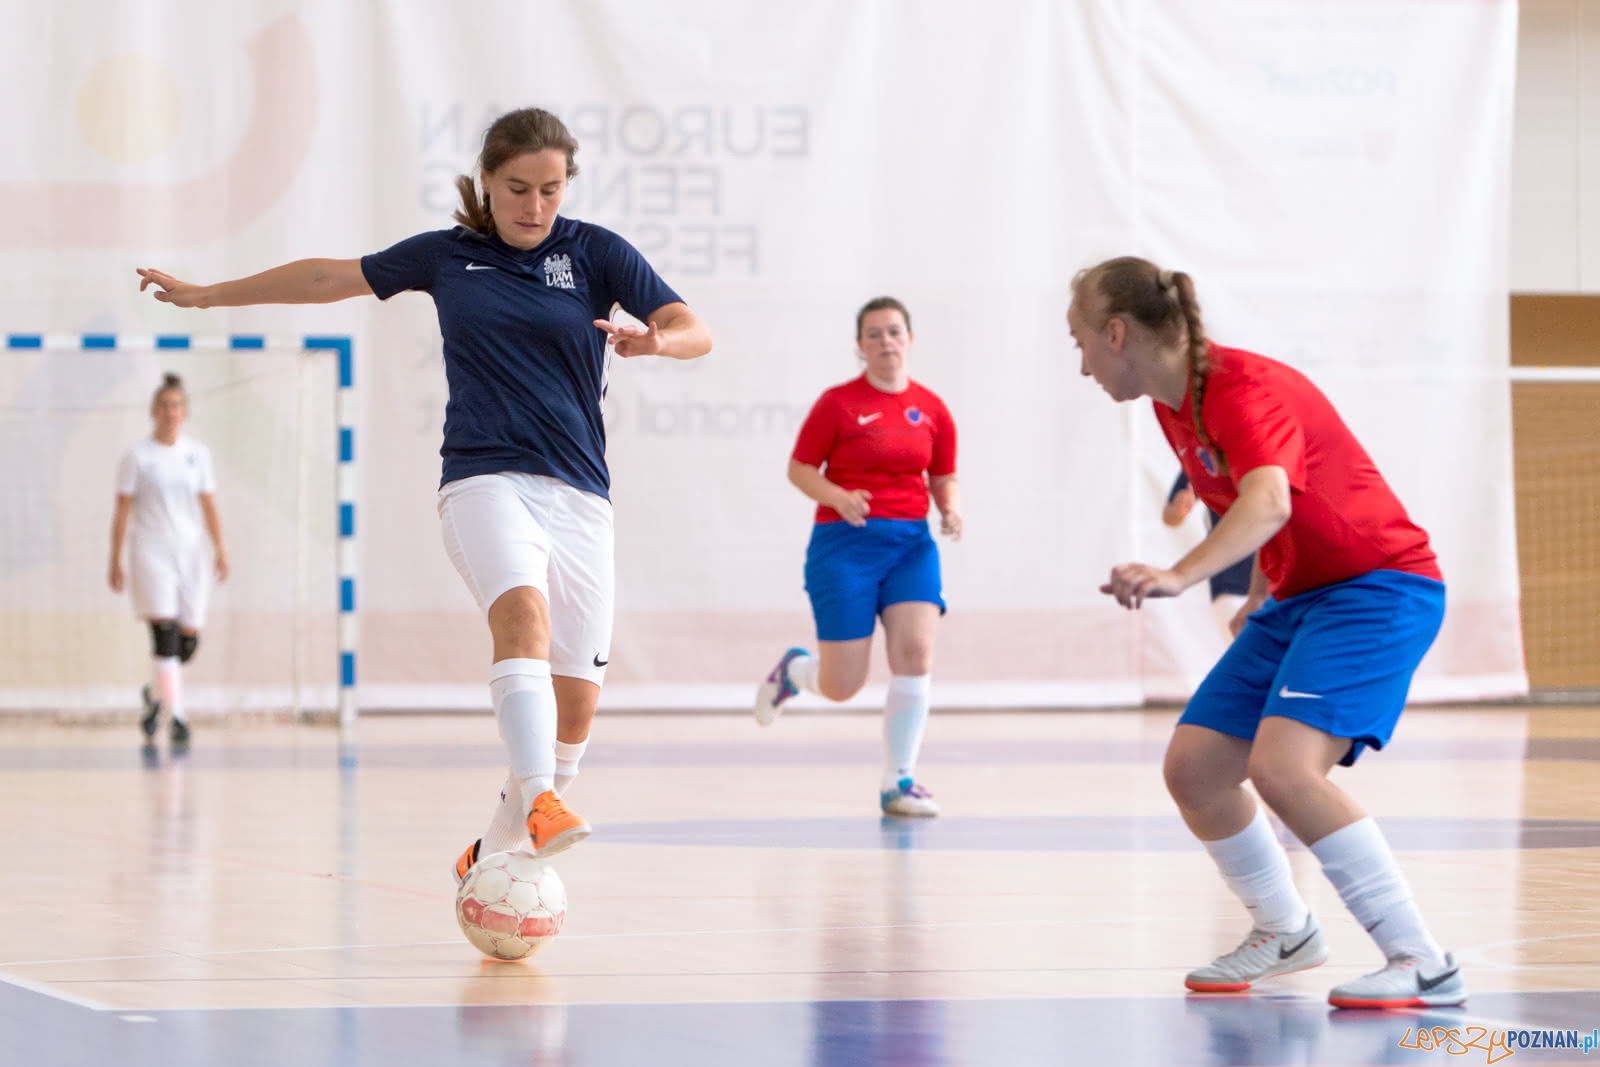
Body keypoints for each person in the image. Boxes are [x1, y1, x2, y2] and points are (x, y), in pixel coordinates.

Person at [136, 107, 712, 881]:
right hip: (483, 477)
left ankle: (495, 844)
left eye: (550, 189)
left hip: (580, 496)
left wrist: (657, 340)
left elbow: (692, 326)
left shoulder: (596, 253)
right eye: (517, 189)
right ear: (487, 181)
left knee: (573, 712)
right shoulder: (448, 257)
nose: (534, 207)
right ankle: (539, 799)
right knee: (522, 615)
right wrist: (207, 296)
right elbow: (324, 277)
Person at [1067, 255, 1465, 1010]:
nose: (1081, 363)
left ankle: (1424, 960)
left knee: (1284, 770)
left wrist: (1179, 574)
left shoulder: (1242, 389)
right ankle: (1284, 927)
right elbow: (1254, 502)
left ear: (1116, 332)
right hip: (1300, 594)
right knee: (1196, 769)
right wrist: (1257, 590)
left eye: (1080, 339)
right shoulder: (1173, 405)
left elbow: (1272, 498)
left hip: (1379, 586)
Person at [753, 297, 960, 817]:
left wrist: (950, 508)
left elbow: (942, 473)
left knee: (915, 653)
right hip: (844, 546)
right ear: (860, 346)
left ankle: (900, 782)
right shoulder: (839, 404)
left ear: (909, 339)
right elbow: (800, 468)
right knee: (844, 685)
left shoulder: (932, 408)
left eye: (894, 332)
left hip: (911, 545)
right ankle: (795, 673)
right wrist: (837, 496)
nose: (886, 342)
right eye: (874, 334)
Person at [109, 373, 229, 746]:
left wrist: (220, 548)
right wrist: (115, 559)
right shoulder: (138, 457)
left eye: (176, 405)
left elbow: (208, 503)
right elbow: (123, 509)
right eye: (164, 405)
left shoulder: (197, 455)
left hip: (189, 551)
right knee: (164, 632)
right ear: (153, 411)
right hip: (151, 550)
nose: (170, 412)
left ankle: (156, 695)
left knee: (186, 642)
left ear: (184, 411)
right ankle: (176, 716)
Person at [1163, 470, 1252, 639]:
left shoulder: (1272, 450)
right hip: (1230, 579)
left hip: (1278, 577)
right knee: (1242, 652)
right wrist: (1177, 509)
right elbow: (1170, 515)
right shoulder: (1202, 452)